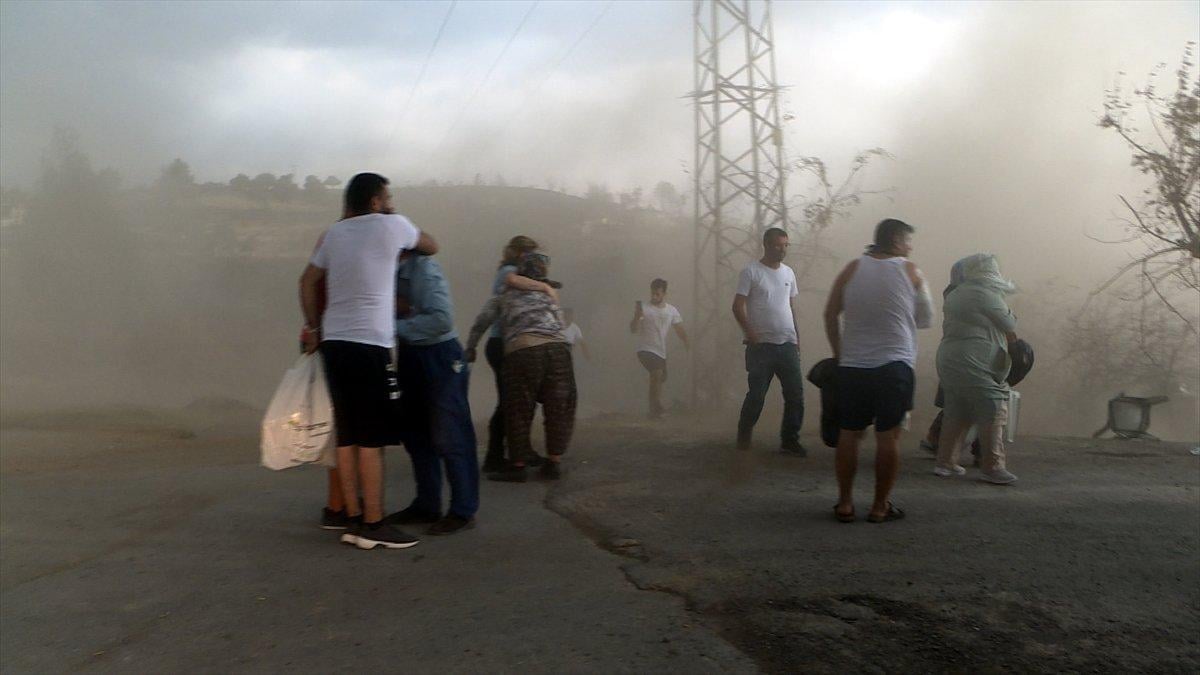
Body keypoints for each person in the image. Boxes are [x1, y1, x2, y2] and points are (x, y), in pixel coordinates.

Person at [300, 172, 438, 550]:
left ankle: (351, 519)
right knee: (371, 439)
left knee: (347, 434)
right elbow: (432, 244)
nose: (390, 201)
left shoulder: (333, 234)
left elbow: (307, 281)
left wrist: (314, 326)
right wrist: (395, 217)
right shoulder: (393, 225)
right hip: (369, 344)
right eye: (387, 196)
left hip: (336, 342)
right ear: (377, 200)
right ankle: (374, 525)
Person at [823, 218, 933, 524]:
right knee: (888, 438)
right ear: (897, 240)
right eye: (908, 241)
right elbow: (926, 318)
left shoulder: (851, 269)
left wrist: (838, 354)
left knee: (849, 433)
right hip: (895, 365)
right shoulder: (910, 271)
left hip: (853, 365)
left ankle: (844, 503)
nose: (910, 248)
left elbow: (830, 313)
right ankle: (879, 506)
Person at [389, 251, 479, 535]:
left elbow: (441, 320)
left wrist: (391, 325)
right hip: (412, 354)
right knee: (416, 435)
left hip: (439, 355)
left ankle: (463, 511)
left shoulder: (423, 269)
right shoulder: (389, 270)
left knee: (450, 435)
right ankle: (427, 505)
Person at [466, 253, 576, 483]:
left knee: (518, 408)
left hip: (523, 350)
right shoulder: (549, 294)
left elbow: (481, 322)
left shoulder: (504, 295)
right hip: (558, 349)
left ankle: (517, 466)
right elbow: (560, 325)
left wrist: (471, 347)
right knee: (559, 406)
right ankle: (553, 462)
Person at [934, 253, 1021, 485]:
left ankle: (946, 462)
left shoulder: (956, 293)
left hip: (949, 357)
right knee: (992, 408)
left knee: (957, 410)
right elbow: (1009, 323)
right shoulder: (985, 293)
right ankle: (992, 466)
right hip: (976, 358)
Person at [479, 236, 555, 473]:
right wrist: (545, 287)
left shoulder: (515, 271)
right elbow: (518, 283)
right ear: (521, 253)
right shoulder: (509, 272)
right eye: (530, 253)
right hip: (503, 343)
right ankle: (495, 455)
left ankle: (519, 450)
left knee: (519, 401)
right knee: (509, 403)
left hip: (512, 343)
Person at [732, 228, 806, 454]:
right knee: (757, 395)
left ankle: (790, 440)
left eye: (785, 245)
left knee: (795, 395)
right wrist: (750, 333)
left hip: (787, 344)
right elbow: (737, 306)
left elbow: (790, 307)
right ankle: (743, 437)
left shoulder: (789, 273)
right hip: (761, 346)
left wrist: (797, 338)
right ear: (766, 244)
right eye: (777, 245)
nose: (782, 250)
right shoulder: (751, 272)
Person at [630, 279, 689, 418]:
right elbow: (633, 329)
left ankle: (653, 408)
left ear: (664, 293)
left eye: (657, 293)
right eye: (652, 293)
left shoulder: (671, 310)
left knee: (660, 377)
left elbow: (679, 328)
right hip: (645, 349)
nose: (654, 296)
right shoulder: (644, 307)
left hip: (660, 351)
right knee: (656, 373)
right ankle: (656, 408)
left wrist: (687, 341)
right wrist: (637, 316)